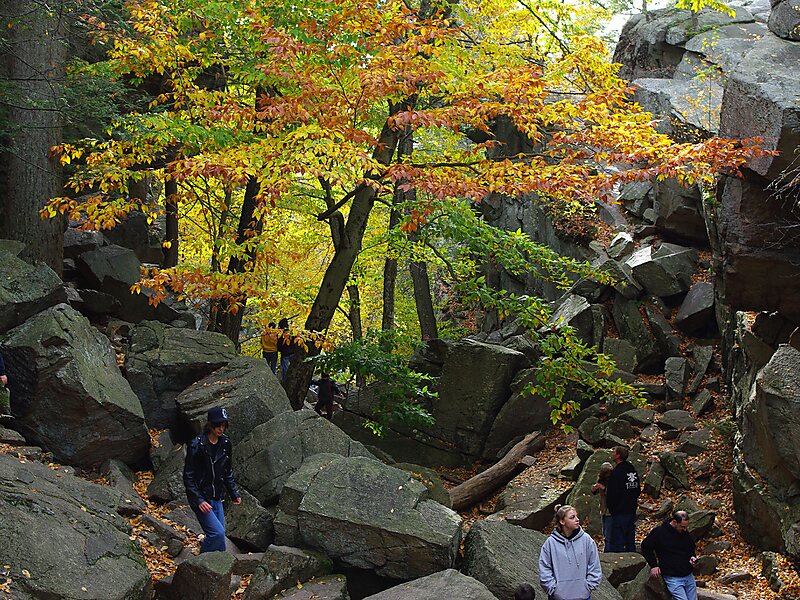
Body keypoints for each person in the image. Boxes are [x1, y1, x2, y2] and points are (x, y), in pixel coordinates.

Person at [183, 406, 241, 553]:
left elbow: (227, 471)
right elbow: (188, 477)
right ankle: (201, 563)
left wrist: (234, 493)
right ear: (210, 424)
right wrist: (199, 500)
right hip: (201, 497)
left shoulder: (226, 444)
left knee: (220, 540)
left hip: (217, 497)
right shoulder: (197, 445)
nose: (221, 429)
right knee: (217, 533)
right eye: (218, 425)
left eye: (223, 425)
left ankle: (215, 570)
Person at [538, 504, 602, 600]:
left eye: (576, 516)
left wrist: (587, 587)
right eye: (572, 517)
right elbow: (544, 569)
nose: (577, 519)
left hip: (583, 597)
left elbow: (594, 565)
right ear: (562, 521)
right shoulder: (550, 543)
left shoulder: (586, 540)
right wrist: (554, 590)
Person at [640, 511, 698, 600]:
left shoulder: (684, 532)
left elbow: (690, 547)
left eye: (686, 527)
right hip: (673, 577)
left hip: (688, 575)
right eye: (682, 527)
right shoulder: (659, 532)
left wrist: (692, 557)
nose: (685, 529)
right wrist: (654, 565)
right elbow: (646, 546)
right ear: (674, 522)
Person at [605, 446, 640, 552]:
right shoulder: (632, 470)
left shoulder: (617, 472)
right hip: (631, 509)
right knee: (630, 538)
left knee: (618, 541)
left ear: (618, 455)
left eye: (614, 452)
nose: (612, 453)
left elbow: (612, 493)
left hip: (619, 511)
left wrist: (612, 508)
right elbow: (637, 490)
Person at [591, 461, 614, 550]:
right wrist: (594, 489)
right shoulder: (601, 479)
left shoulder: (614, 480)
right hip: (603, 509)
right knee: (605, 533)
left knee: (609, 534)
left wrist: (603, 488)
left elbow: (614, 493)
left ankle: (608, 551)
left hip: (611, 511)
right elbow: (595, 492)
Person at [277, 317, 294, 381]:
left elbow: (278, 345)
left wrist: (280, 350)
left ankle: (285, 381)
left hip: (284, 353)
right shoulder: (291, 332)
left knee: (285, 369)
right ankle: (291, 380)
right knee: (292, 367)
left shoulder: (280, 334)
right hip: (292, 352)